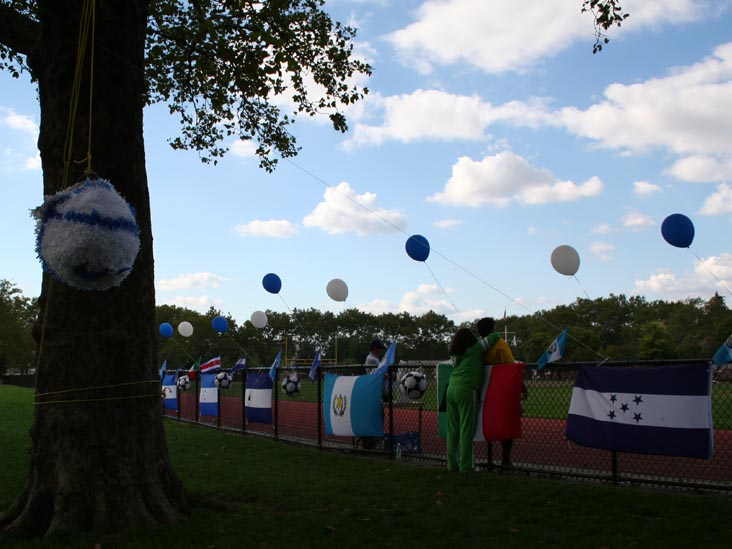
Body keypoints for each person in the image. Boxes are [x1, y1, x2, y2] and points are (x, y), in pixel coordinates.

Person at [446, 327, 500, 472]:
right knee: (466, 429)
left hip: (451, 389)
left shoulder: (455, 355)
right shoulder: (476, 348)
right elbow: (495, 336)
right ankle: (466, 465)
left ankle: (451, 464)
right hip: (467, 389)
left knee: (453, 429)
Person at [476, 317, 528, 467]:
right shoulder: (500, 344)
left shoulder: (478, 347)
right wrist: (523, 387)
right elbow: (511, 369)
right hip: (502, 393)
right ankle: (505, 459)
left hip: (484, 393)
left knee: (487, 421)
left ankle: (490, 458)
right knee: (507, 422)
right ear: (492, 329)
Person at [360, 339, 387, 449]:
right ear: (375, 348)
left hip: (375, 391)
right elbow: (376, 375)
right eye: (379, 348)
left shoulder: (374, 359)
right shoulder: (372, 359)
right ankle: (371, 442)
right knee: (377, 416)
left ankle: (372, 441)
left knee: (378, 415)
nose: (380, 350)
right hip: (374, 392)